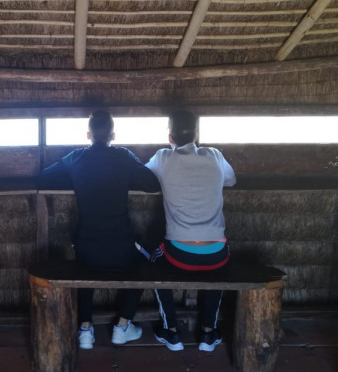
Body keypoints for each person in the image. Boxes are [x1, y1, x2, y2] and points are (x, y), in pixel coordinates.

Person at [38, 110, 161, 349]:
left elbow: (43, 179)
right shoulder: (124, 157)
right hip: (122, 248)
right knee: (143, 266)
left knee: (84, 268)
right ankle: (123, 325)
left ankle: (85, 330)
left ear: (88, 134)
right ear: (113, 135)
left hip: (86, 246)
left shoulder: (76, 158)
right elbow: (152, 184)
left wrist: (77, 179)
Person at [145, 110, 236, 353]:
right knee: (220, 266)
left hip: (179, 255)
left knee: (153, 263)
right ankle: (208, 332)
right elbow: (231, 180)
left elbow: (143, 178)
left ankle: (171, 331)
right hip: (217, 254)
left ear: (169, 136)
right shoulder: (215, 156)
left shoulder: (163, 158)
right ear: (196, 135)